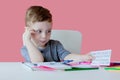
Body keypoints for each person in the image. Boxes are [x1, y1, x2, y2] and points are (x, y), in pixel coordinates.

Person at [21, 5, 93, 63]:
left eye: (48, 31)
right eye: (39, 31)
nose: (44, 36)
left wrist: (83, 57)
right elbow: (38, 61)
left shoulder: (55, 45)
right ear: (28, 31)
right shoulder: (26, 49)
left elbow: (67, 56)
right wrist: (27, 40)